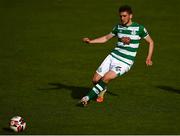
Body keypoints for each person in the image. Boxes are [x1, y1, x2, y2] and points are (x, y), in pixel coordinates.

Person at [80, 5, 154, 106]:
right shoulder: (118, 27)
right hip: (113, 56)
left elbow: (151, 42)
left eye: (124, 16)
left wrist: (149, 57)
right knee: (95, 80)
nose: (122, 18)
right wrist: (91, 41)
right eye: (121, 16)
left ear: (130, 16)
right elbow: (106, 38)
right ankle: (103, 89)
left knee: (106, 78)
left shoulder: (139, 28)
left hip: (125, 62)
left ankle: (87, 98)